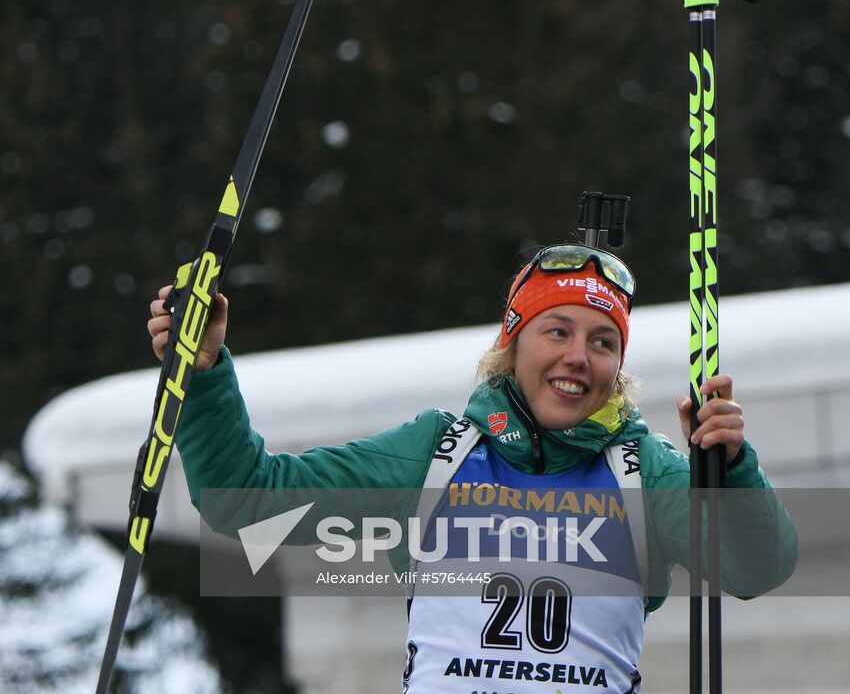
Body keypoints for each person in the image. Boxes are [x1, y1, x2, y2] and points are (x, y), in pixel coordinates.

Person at [148, 243, 798, 692]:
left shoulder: (642, 468)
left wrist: (731, 469)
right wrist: (202, 376)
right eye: (557, 331)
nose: (579, 356)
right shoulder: (438, 454)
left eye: (603, 342)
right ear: (511, 346)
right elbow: (248, 499)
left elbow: (755, 567)